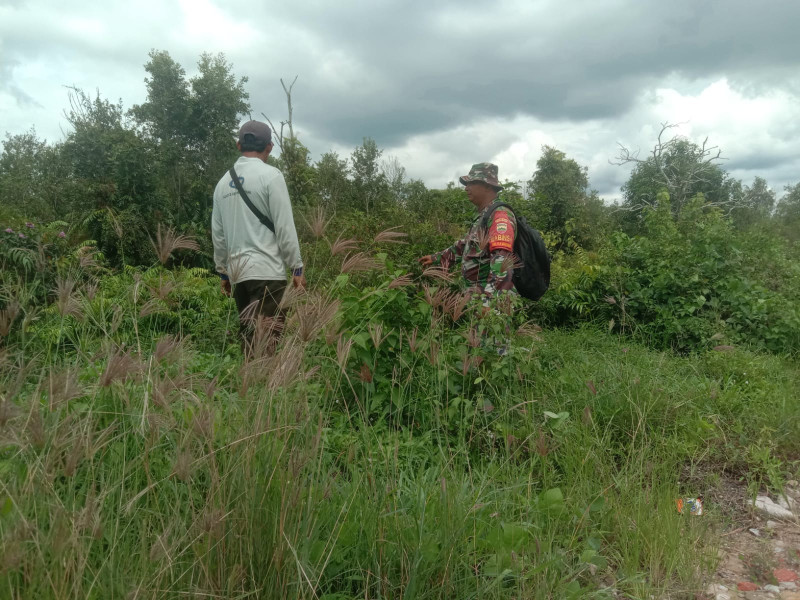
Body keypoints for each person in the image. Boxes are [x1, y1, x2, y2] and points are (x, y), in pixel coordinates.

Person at [211, 120, 305, 354]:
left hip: (238, 276)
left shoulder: (222, 184)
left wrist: (223, 271)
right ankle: (264, 388)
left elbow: (218, 234)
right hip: (267, 275)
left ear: (238, 145)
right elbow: (284, 227)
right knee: (268, 347)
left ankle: (249, 388)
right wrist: (297, 267)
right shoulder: (271, 176)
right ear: (269, 147)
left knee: (250, 344)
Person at [418, 162, 516, 306]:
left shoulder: (500, 215)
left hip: (491, 304)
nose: (466, 188)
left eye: (472, 183)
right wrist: (438, 258)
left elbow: (502, 262)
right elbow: (467, 246)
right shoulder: (484, 215)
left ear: (488, 186)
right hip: (477, 298)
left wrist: (490, 302)